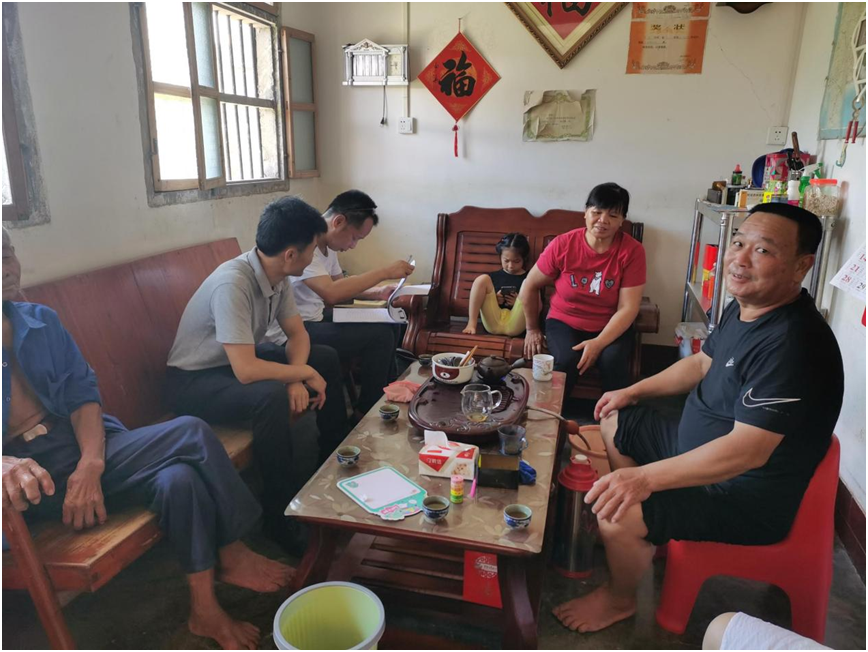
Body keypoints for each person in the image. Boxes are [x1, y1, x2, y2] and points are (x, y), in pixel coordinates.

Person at [553, 203, 844, 634]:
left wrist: (645, 479)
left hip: (740, 493)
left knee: (617, 512)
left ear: (802, 266)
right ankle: (644, 536)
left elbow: (746, 453)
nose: (740, 259)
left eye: (763, 250)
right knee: (615, 417)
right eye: (738, 243)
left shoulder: (793, 344)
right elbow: (702, 364)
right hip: (696, 451)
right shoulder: (743, 306)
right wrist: (632, 391)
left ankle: (620, 597)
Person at [1, 227, 290, 650]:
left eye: (7, 254)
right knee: (191, 431)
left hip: (79, 443)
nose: (6, 268)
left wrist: (90, 464)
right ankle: (233, 549)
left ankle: (205, 611)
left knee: (179, 479)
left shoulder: (40, 320)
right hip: (30, 481)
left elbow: (83, 395)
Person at [165, 196, 347, 554]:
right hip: (194, 380)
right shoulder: (233, 283)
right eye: (312, 249)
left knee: (323, 358)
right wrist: (296, 374)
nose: (314, 256)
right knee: (269, 397)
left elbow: (297, 334)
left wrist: (296, 377)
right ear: (291, 255)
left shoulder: (277, 275)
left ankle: (335, 466)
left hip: (232, 362)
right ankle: (278, 516)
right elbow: (247, 371)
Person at [266, 190, 414, 420]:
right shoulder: (306, 246)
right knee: (379, 336)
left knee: (390, 323)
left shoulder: (329, 247)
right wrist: (385, 272)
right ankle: (366, 411)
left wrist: (378, 293)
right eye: (354, 237)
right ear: (338, 222)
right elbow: (332, 294)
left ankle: (386, 396)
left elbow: (339, 287)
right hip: (296, 327)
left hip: (315, 318)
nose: (353, 245)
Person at [520, 183, 645, 394]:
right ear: (585, 212)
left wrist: (598, 343)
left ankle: (615, 413)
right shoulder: (563, 244)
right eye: (597, 212)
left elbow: (628, 308)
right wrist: (532, 329)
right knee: (566, 360)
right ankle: (554, 412)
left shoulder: (632, 251)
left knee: (612, 360)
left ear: (622, 220)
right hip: (564, 320)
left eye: (613, 215)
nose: (603, 220)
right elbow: (529, 285)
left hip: (609, 324)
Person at [462, 232, 530, 337]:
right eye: (506, 261)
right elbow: (488, 304)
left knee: (529, 283)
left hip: (516, 326)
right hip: (493, 323)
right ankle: (471, 324)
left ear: (524, 259)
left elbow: (538, 307)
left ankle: (531, 329)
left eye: (516, 261)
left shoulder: (528, 278)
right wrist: (496, 300)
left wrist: (518, 303)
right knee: (482, 279)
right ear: (500, 257)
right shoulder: (492, 278)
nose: (511, 266)